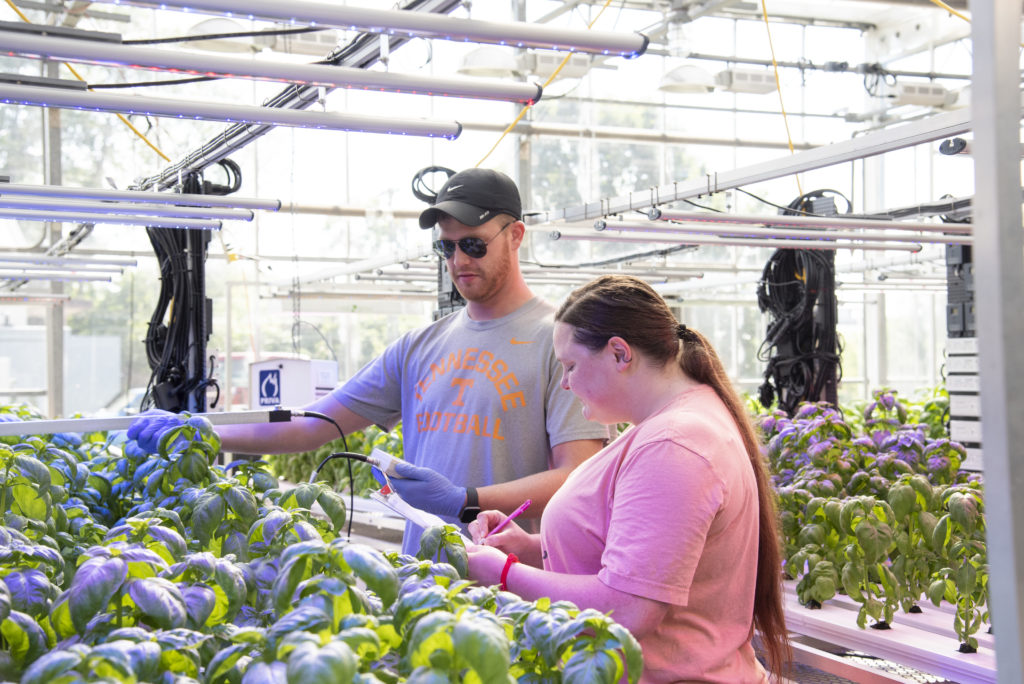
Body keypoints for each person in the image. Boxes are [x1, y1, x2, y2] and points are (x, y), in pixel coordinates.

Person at [129, 168, 610, 555]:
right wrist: (202, 431)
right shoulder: (418, 347)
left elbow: (578, 475)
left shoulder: (558, 341)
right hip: (423, 582)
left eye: (474, 244)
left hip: (516, 582)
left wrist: (467, 501)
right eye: (446, 246)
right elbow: (313, 425)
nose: (459, 259)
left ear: (516, 235)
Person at [466, 275, 790, 683]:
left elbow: (629, 607)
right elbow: (637, 556)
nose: (565, 383)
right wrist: (529, 548)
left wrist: (504, 575)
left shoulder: (674, 444)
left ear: (620, 353)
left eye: (570, 366)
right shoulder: (670, 427)